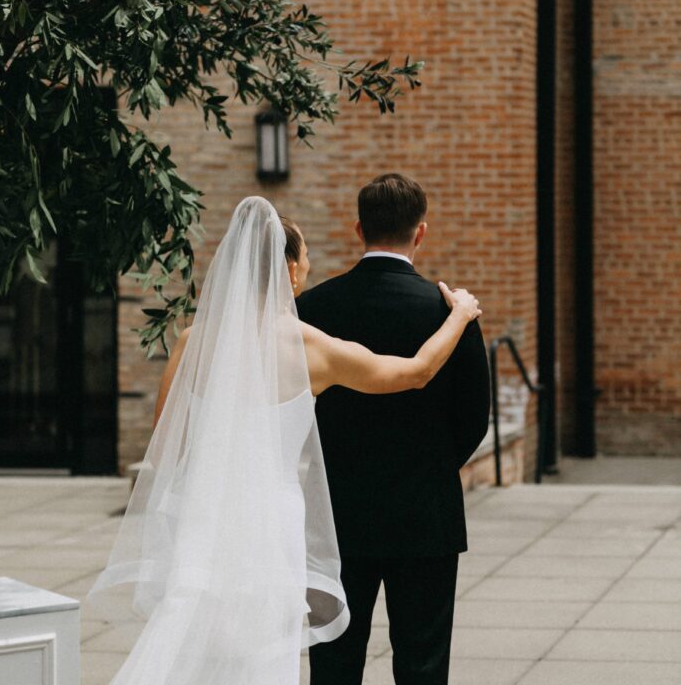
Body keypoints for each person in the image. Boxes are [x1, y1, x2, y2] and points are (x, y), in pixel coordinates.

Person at [89, 196, 481, 685]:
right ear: (290, 270)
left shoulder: (193, 342)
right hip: (270, 520)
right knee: (262, 650)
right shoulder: (306, 346)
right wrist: (460, 315)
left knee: (191, 632)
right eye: (308, 258)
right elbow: (416, 373)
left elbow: (166, 435)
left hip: (206, 512)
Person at [296, 173, 491, 685]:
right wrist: (429, 465)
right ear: (420, 232)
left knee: (335, 661)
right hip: (426, 512)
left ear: (359, 228)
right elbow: (474, 415)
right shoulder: (448, 312)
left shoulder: (312, 308)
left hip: (337, 510)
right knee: (423, 661)